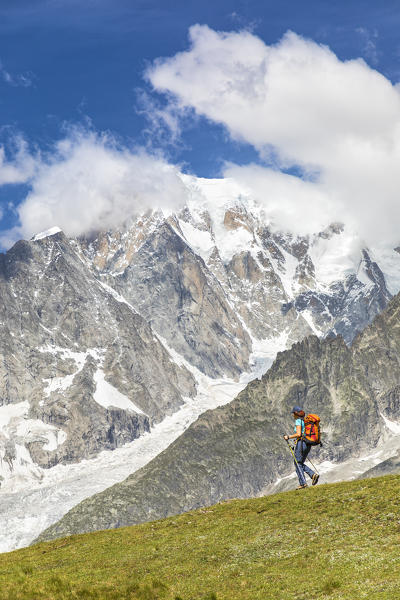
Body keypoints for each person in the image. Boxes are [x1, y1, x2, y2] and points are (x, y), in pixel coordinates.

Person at [283, 405, 319, 489]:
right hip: (308, 443)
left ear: (296, 413)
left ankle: (303, 483)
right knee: (299, 463)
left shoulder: (298, 421)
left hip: (302, 443)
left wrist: (288, 437)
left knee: (297, 463)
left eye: (293, 413)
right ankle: (312, 475)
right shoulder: (305, 421)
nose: (293, 415)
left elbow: (299, 434)